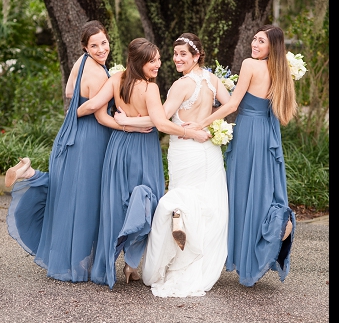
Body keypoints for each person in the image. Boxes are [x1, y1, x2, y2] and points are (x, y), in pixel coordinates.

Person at [76, 37, 210, 290]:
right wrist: (192, 133)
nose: (159, 64)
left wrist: (124, 125)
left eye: (159, 58)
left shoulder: (116, 79)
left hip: (117, 147)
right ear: (139, 62)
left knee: (116, 203)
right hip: (143, 150)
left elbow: (101, 116)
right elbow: (159, 123)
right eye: (153, 61)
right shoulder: (150, 89)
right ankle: (131, 263)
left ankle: (106, 266)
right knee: (148, 201)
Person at [3, 20, 125, 282]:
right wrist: (127, 125)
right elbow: (96, 110)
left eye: (104, 43)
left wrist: (77, 110)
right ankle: (77, 265)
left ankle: (31, 173)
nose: (101, 49)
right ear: (85, 46)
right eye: (95, 45)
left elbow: (70, 91)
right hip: (90, 139)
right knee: (84, 200)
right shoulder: (102, 75)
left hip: (68, 136)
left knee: (64, 192)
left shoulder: (80, 63)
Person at [117, 33, 232, 297]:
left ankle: (179, 216)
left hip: (185, 148)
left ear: (196, 56)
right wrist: (207, 124)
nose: (177, 59)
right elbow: (229, 105)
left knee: (184, 193)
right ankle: (201, 261)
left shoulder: (181, 85)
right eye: (175, 53)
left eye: (183, 54)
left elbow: (158, 120)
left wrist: (124, 121)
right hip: (209, 148)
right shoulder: (213, 80)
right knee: (210, 204)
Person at [190, 24, 296, 287]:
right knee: (259, 191)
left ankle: (245, 257)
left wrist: (202, 123)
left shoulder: (251, 65)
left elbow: (233, 105)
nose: (255, 44)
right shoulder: (280, 70)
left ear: (272, 46)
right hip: (266, 134)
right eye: (254, 39)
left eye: (261, 41)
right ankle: (258, 251)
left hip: (248, 132)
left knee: (241, 192)